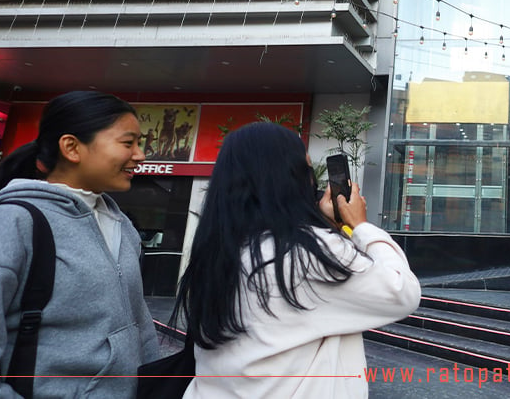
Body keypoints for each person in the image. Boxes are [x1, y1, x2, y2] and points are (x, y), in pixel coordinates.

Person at [0, 91, 159, 397]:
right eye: (128, 143)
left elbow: (140, 327)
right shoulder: (5, 223)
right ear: (72, 147)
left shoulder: (121, 226)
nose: (140, 155)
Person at [173, 122, 420, 398]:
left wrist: (326, 228)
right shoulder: (305, 253)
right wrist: (359, 226)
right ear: (289, 179)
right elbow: (401, 291)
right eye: (307, 170)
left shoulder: (219, 250)